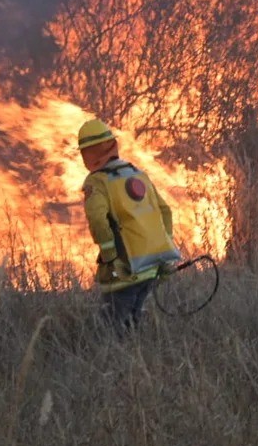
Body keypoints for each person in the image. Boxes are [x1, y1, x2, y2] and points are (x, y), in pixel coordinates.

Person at [78, 118, 181, 333]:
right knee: (134, 325)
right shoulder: (137, 173)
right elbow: (165, 211)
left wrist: (110, 256)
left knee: (110, 330)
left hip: (125, 270)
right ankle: (139, 360)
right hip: (152, 267)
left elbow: (98, 219)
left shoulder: (96, 181)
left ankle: (117, 364)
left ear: (89, 153)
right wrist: (165, 248)